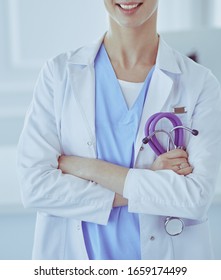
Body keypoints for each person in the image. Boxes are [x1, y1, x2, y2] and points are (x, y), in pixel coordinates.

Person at [17, 0, 221, 260]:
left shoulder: (199, 83)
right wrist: (149, 179)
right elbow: (35, 187)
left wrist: (86, 167)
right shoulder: (58, 75)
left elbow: (195, 198)